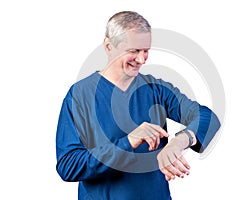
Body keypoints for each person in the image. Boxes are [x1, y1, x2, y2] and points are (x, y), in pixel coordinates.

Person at [56, 11, 221, 200]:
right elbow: (68, 166)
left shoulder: (156, 89)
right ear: (109, 46)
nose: (142, 59)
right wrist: (128, 142)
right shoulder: (79, 96)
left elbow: (206, 117)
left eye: (146, 51)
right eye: (133, 51)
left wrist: (179, 141)